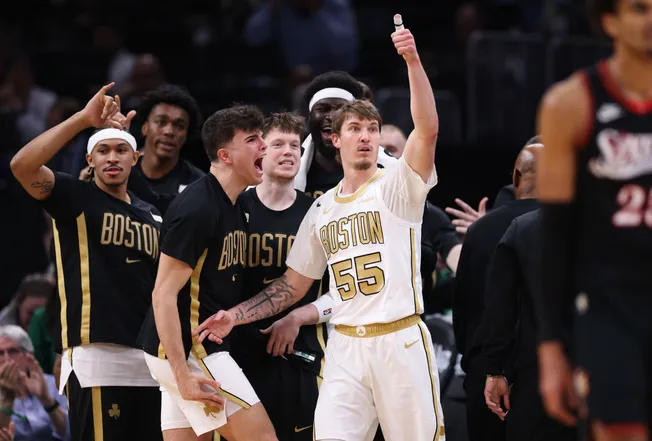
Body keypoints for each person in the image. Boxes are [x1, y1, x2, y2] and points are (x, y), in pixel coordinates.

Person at [195, 22, 445, 441]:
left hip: (399, 340)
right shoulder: (321, 207)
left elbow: (428, 129)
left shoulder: (399, 185)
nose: (365, 137)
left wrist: (413, 61)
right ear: (333, 139)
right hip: (344, 345)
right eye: (355, 129)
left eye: (372, 130)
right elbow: (290, 287)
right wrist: (233, 317)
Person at [9, 83, 163, 441]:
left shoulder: (153, 215)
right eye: (103, 150)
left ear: (135, 159)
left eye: (121, 150)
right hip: (98, 357)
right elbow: (22, 165)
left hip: (150, 360)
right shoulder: (75, 197)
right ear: (90, 161)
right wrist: (83, 120)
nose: (112, 157)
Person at [536, 1, 652, 439]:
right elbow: (554, 235)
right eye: (641, 9)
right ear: (610, 21)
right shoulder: (571, 103)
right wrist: (551, 346)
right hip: (611, 307)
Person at [139, 104, 278, 441]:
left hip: (184, 347)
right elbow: (163, 293)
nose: (264, 146)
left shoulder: (235, 203)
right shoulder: (198, 208)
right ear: (225, 155)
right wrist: (182, 372)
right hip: (188, 349)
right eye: (252, 139)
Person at [232, 112, 328, 441]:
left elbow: (340, 291)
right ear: (260, 151)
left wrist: (298, 317)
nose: (289, 152)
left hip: (298, 349)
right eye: (278, 144)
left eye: (295, 146)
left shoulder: (317, 211)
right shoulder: (233, 207)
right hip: (237, 348)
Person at [452, 140, 542, 441]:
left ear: (515, 178)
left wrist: (482, 366)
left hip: (487, 370)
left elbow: (463, 307)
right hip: (546, 370)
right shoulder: (573, 228)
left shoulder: (482, 229)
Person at [479, 209, 577, 441]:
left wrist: (495, 369)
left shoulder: (523, 228)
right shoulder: (625, 224)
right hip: (614, 371)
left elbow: (499, 307)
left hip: (541, 373)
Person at [294, 70, 397, 199]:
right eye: (322, 109)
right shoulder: (291, 166)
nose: (331, 116)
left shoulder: (390, 168)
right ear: (309, 117)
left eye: (340, 109)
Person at [131, 84, 204, 195]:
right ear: (144, 127)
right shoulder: (122, 173)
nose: (169, 131)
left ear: (186, 135)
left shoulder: (198, 186)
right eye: (161, 122)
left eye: (179, 126)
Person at [0, 325, 68, 441]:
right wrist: (7, 398)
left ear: (29, 355)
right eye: (0, 353)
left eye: (13, 351)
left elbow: (69, 433)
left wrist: (46, 399)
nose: (7, 358)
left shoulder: (52, 384)